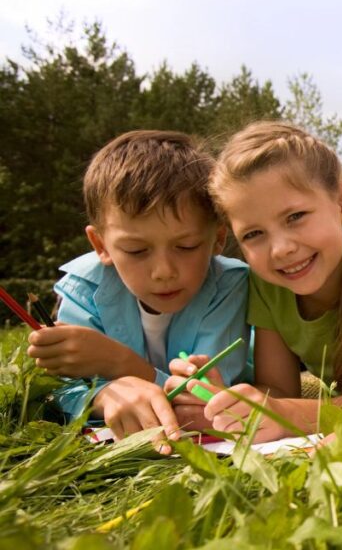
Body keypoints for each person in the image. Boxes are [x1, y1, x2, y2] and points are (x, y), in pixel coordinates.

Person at [168, 122, 342, 440]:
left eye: (295, 217)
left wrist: (285, 415)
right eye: (253, 235)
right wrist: (225, 402)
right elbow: (279, 389)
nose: (281, 250)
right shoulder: (268, 282)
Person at [27, 131, 250, 449]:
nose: (164, 272)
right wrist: (104, 396)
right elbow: (60, 389)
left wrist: (121, 365)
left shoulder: (230, 285)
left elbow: (203, 396)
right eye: (135, 250)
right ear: (100, 245)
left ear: (217, 239)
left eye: (186, 246)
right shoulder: (83, 288)